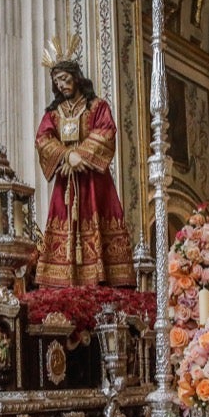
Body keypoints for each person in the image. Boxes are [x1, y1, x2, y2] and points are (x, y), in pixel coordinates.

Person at [34, 54, 135, 288]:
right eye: (57, 80)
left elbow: (107, 131)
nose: (61, 84)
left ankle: (102, 276)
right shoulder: (54, 113)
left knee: (98, 219)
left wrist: (82, 154)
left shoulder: (97, 106)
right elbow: (42, 138)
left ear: (76, 77)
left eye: (64, 78)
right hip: (66, 182)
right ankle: (61, 281)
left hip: (94, 182)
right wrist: (66, 154)